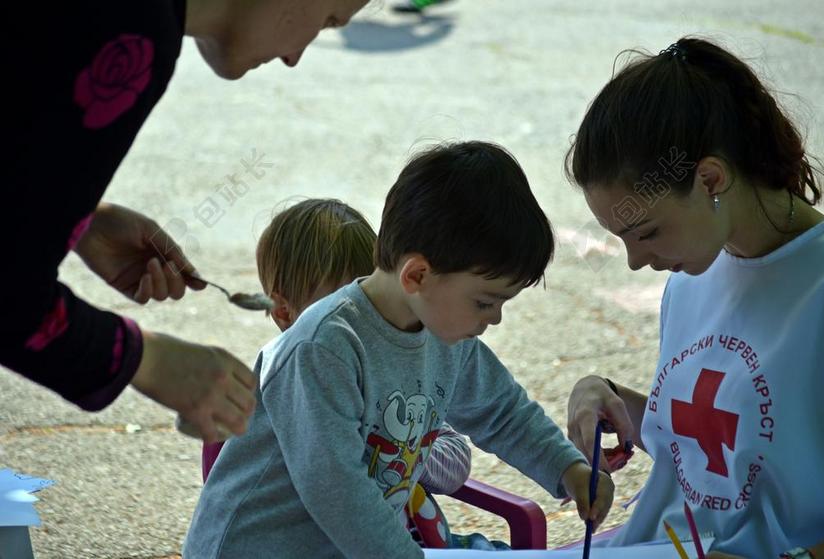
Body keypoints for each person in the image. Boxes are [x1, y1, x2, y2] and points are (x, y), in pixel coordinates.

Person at [183, 141, 614, 558]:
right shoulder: (323, 347)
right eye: (485, 302)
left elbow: (502, 412)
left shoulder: (446, 336)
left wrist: (568, 469)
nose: (494, 319)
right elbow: (337, 491)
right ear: (417, 276)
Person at [3, 0, 369, 442]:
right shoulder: (130, 30)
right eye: (328, 20)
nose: (295, 57)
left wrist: (81, 221)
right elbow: (11, 298)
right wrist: (149, 362)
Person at [563, 37, 824, 559]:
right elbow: (708, 449)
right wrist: (609, 396)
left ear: (711, 179)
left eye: (645, 232)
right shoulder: (692, 278)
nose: (635, 261)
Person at [198, 198, 474, 548]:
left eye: (367, 301)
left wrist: (401, 450)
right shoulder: (294, 381)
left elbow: (456, 459)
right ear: (284, 312)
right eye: (338, 308)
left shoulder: (389, 371)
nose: (361, 318)